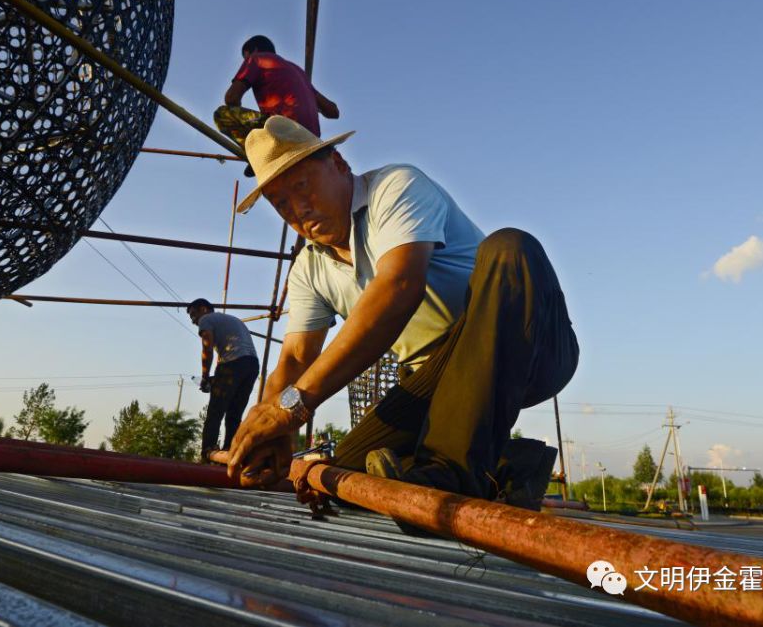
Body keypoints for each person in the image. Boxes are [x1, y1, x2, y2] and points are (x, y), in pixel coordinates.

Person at [225, 116, 579, 510]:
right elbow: (294, 357)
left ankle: (450, 475)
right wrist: (265, 426)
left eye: (302, 186)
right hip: (437, 377)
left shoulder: (394, 188)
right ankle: (511, 466)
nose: (298, 209)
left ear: (339, 165)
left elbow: (398, 288)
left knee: (511, 247)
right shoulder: (309, 268)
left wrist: (293, 408)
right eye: (281, 203)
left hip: (530, 348)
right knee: (348, 475)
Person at [214, 35, 340, 150]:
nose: (245, 60)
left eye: (245, 56)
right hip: (313, 138)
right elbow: (333, 111)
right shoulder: (298, 71)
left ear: (254, 50)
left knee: (222, 114)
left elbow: (231, 98)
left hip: (284, 129)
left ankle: (259, 155)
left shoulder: (255, 59)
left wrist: (250, 132)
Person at [186, 298, 261, 459]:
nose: (193, 321)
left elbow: (207, 350)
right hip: (252, 365)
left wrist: (205, 377)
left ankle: (207, 452)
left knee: (215, 411)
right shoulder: (232, 319)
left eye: (193, 315)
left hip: (232, 364)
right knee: (234, 413)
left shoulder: (206, 319)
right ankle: (230, 453)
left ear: (204, 309)